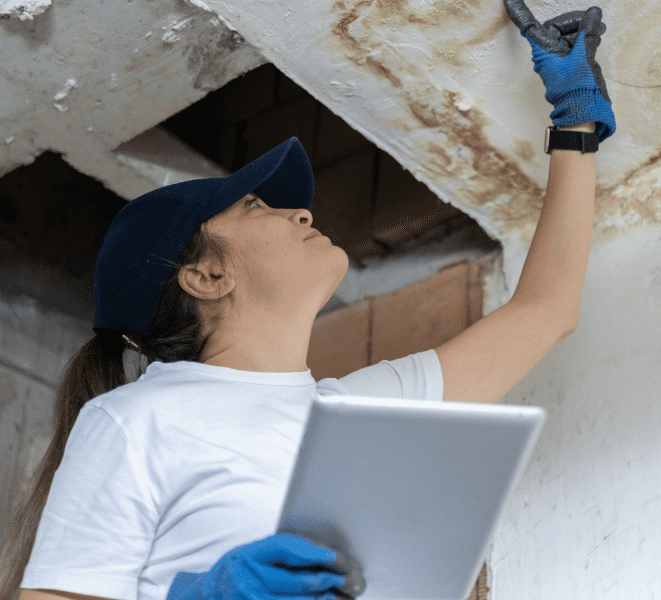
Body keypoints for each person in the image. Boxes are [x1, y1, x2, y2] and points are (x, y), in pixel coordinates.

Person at [0, 0, 616, 598]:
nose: (300, 211)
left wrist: (575, 124)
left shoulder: (352, 416)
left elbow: (544, 312)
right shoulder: (135, 420)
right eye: (255, 205)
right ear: (207, 277)